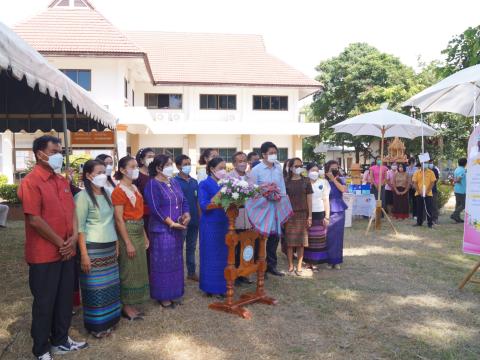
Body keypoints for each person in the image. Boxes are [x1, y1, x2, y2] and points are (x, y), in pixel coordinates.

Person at [17, 135, 87, 360]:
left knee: (65, 298)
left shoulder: (62, 181)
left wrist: (74, 237)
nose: (60, 155)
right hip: (44, 254)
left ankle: (60, 340)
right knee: (45, 302)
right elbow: (35, 219)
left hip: (67, 250)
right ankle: (41, 349)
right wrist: (62, 243)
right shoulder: (31, 181)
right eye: (55, 151)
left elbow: (73, 211)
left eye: (61, 151)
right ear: (40, 154)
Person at [75, 160, 121, 338]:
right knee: (95, 288)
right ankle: (97, 326)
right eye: (99, 172)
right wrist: (84, 255)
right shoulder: (82, 197)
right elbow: (80, 228)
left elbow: (113, 222)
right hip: (93, 248)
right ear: (88, 175)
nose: (104, 175)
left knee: (110, 286)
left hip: (110, 246)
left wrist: (116, 244)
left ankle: (111, 320)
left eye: (105, 171)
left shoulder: (109, 193)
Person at [145, 155, 190, 308]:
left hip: (177, 229)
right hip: (161, 231)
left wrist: (187, 214)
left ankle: (174, 292)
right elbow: (155, 209)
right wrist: (170, 223)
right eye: (168, 165)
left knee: (175, 262)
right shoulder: (152, 184)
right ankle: (163, 296)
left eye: (171, 164)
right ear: (158, 168)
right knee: (162, 264)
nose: (172, 167)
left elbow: (184, 200)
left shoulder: (174, 182)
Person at [112, 156, 150, 319]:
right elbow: (119, 219)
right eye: (132, 167)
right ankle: (126, 305)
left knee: (138, 268)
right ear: (122, 170)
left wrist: (145, 235)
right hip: (127, 230)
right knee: (128, 268)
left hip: (138, 229)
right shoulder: (118, 191)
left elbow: (140, 214)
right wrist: (127, 243)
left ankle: (133, 303)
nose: (135, 169)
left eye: (136, 166)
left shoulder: (135, 188)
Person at [250, 142, 291, 277]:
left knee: (274, 237)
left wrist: (283, 201)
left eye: (275, 152)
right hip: (262, 208)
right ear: (263, 154)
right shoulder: (257, 170)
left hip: (276, 207)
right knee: (260, 237)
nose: (273, 155)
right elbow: (252, 190)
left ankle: (271, 266)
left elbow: (282, 187)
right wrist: (265, 192)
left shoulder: (278, 167)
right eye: (271, 153)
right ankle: (259, 266)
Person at [198, 157, 229, 296]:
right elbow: (204, 204)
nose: (224, 171)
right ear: (212, 169)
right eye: (221, 168)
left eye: (225, 168)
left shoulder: (226, 183)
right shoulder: (204, 184)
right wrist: (221, 192)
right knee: (210, 255)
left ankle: (222, 287)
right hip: (210, 225)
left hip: (224, 223)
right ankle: (209, 288)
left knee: (223, 256)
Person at [227, 151, 254, 285]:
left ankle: (245, 272)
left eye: (244, 160)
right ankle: (235, 274)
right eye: (239, 161)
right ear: (234, 163)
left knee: (247, 244)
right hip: (235, 217)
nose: (242, 163)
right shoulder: (229, 177)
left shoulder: (250, 177)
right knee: (235, 245)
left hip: (248, 216)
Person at [284, 158, 313, 276]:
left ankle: (299, 267)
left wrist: (310, 216)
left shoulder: (306, 181)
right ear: (290, 167)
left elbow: (309, 199)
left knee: (301, 242)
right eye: (296, 166)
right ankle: (291, 266)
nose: (298, 168)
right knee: (290, 243)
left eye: (300, 165)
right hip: (289, 215)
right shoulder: (286, 181)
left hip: (302, 213)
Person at [175, 154, 200, 281]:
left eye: (189, 163)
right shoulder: (174, 182)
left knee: (191, 247)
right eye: (185, 164)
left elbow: (197, 201)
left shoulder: (194, 182)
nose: (188, 166)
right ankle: (178, 275)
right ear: (178, 166)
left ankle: (191, 273)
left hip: (194, 220)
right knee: (178, 248)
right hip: (182, 220)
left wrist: (199, 218)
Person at [304, 164, 330, 268]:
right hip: (306, 213)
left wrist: (327, 216)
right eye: (312, 170)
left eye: (316, 170)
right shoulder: (304, 182)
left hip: (320, 213)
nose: (314, 172)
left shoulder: (324, 182)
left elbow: (326, 200)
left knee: (319, 238)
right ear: (307, 171)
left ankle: (316, 262)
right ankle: (307, 261)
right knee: (308, 238)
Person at [325, 160, 348, 269]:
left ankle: (337, 260)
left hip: (338, 209)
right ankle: (328, 260)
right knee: (328, 236)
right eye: (332, 168)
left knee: (338, 236)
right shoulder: (323, 181)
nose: (334, 170)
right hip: (326, 209)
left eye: (336, 168)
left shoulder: (341, 179)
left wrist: (333, 179)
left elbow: (343, 189)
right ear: (327, 169)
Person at [134, 148, 155, 231]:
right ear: (142, 160)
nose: (152, 159)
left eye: (153, 156)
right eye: (149, 156)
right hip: (142, 214)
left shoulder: (154, 175)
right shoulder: (136, 175)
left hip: (155, 213)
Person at [412, 163, 436, 228]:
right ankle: (419, 222)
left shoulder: (431, 172)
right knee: (419, 208)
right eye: (423, 163)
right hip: (419, 193)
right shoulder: (417, 172)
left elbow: (432, 182)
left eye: (426, 163)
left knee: (429, 209)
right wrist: (419, 192)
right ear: (421, 165)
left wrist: (427, 191)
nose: (425, 164)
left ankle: (430, 223)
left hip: (428, 194)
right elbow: (414, 183)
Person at [451, 157, 467, 223]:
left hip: (456, 189)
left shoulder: (457, 169)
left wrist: (454, 181)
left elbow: (455, 179)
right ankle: (454, 215)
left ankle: (457, 218)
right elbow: (459, 179)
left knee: (458, 204)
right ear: (465, 163)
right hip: (461, 190)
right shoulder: (463, 170)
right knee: (464, 205)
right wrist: (455, 181)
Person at [428, 159, 440, 224]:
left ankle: (435, 218)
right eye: (429, 162)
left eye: (431, 162)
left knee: (434, 204)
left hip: (433, 190)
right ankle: (428, 218)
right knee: (428, 204)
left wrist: (433, 183)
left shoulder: (435, 170)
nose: (430, 163)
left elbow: (437, 179)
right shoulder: (425, 170)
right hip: (426, 190)